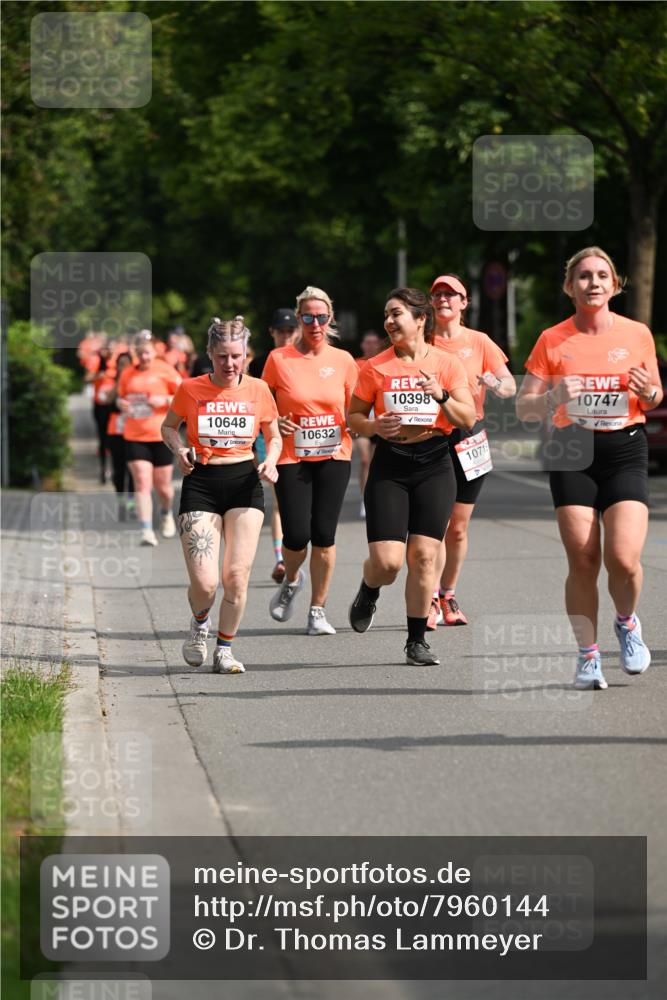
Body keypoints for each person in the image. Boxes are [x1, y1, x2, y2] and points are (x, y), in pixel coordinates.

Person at [516, 247, 663, 690]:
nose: (593, 283)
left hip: (624, 448)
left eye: (601, 275)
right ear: (569, 287)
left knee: (623, 558)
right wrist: (553, 398)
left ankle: (627, 622)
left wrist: (649, 392)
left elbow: (654, 396)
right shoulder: (552, 339)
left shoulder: (636, 334)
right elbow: (524, 408)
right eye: (583, 276)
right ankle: (588, 656)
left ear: (615, 285)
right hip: (571, 450)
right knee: (583, 559)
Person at [348, 287, 476, 665]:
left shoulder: (447, 364)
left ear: (421, 319)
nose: (389, 321)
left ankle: (416, 642)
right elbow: (353, 418)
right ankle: (369, 588)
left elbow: (468, 418)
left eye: (397, 314)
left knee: (423, 557)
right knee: (388, 563)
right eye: (386, 315)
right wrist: (374, 426)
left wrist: (441, 396)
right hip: (391, 464)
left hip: (435, 463)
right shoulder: (375, 367)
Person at [161, 315, 280, 673]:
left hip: (244, 482)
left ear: (246, 354)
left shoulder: (259, 389)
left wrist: (270, 461)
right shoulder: (190, 388)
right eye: (222, 356)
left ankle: (224, 649)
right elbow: (169, 427)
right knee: (206, 582)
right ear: (210, 354)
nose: (230, 364)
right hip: (202, 482)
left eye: (237, 356)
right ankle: (200, 622)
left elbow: (274, 435)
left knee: (237, 577)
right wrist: (179, 449)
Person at [262, 287, 358, 635]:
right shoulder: (279, 359)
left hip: (334, 454)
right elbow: (262, 405)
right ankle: (291, 578)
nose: (315, 324)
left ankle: (318, 610)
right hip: (292, 456)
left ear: (330, 319)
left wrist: (358, 423)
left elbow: (357, 409)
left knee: (323, 535)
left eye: (321, 317)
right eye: (307, 317)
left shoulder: (344, 360)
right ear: (299, 318)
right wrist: (276, 422)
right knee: (296, 535)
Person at [429, 274, 516, 628]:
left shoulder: (479, 341)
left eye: (451, 294)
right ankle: (429, 597)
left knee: (458, 528)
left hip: (470, 435)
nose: (443, 299)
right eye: (437, 294)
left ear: (464, 303)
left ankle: (448, 594)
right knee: (435, 523)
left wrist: (494, 382)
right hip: (432, 435)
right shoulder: (423, 340)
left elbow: (509, 386)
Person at [248, 308, 299, 583]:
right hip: (267, 437)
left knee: (299, 502)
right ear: (272, 332)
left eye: (291, 331)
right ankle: (281, 559)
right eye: (281, 331)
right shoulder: (259, 364)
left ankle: (295, 551)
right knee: (280, 499)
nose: (286, 336)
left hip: (302, 437)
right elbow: (251, 404)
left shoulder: (305, 360)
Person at [118, 333, 182, 546]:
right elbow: (120, 397)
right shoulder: (127, 373)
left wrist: (164, 400)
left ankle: (165, 512)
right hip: (134, 435)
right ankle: (146, 530)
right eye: (140, 353)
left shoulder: (165, 370)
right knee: (142, 482)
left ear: (155, 352)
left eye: (147, 352)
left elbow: (184, 395)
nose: (144, 357)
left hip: (161, 435)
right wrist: (121, 404)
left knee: (163, 486)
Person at [354, 330, 385, 519]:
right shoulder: (356, 364)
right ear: (362, 345)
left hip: (381, 420)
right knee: (365, 460)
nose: (371, 346)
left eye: (374, 342)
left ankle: (375, 496)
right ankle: (365, 498)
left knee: (375, 461)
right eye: (368, 342)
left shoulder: (384, 363)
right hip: (363, 419)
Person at [106, 352, 135, 519]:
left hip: (134, 432)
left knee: (133, 469)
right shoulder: (113, 382)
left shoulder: (136, 382)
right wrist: (120, 380)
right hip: (115, 431)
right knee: (118, 470)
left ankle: (131, 503)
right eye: (121, 363)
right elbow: (108, 400)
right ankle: (120, 502)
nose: (124, 367)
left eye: (127, 363)